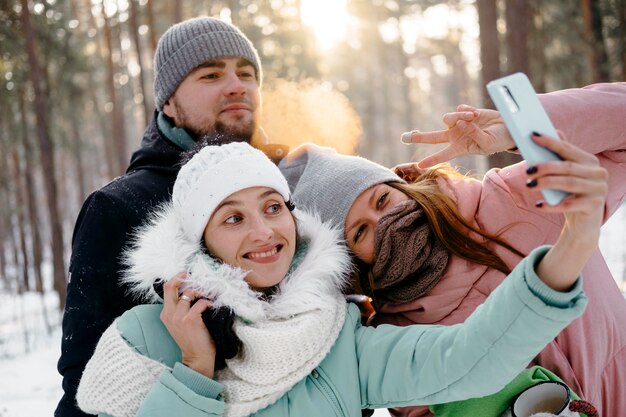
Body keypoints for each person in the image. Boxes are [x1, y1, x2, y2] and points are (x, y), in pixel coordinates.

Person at [76, 140, 592, 417]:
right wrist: (193, 369)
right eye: (232, 218)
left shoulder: (337, 337)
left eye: (273, 207)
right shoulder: (146, 335)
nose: (263, 232)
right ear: (199, 240)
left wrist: (573, 243)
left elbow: (468, 358)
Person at [278, 82, 626, 417]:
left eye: (382, 199)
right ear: (352, 262)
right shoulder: (397, 339)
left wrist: (521, 127)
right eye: (361, 231)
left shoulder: (513, 197)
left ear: (403, 185)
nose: (384, 222)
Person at [56, 17, 266, 417]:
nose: (237, 84)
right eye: (210, 74)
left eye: (246, 73)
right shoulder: (117, 207)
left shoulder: (286, 191)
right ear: (169, 101)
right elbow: (86, 380)